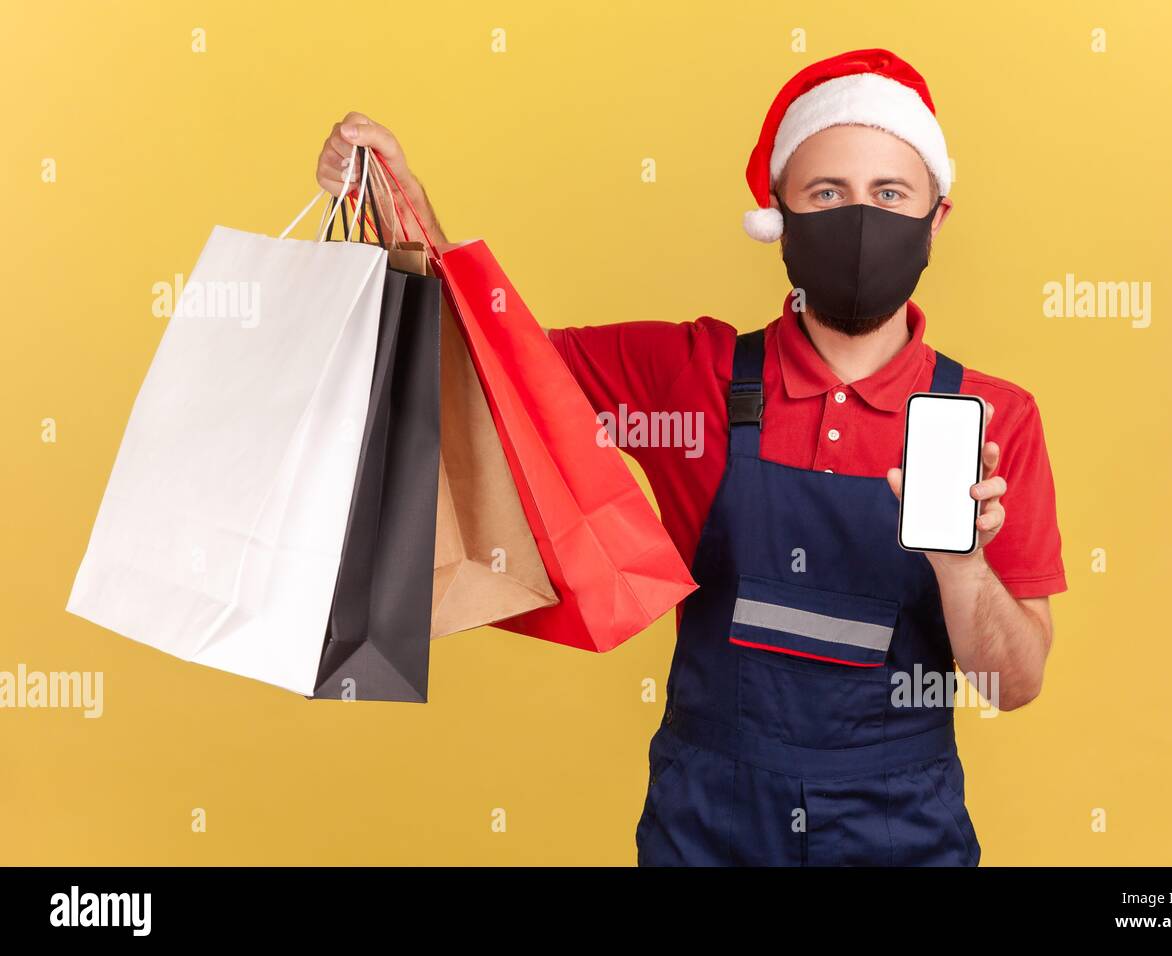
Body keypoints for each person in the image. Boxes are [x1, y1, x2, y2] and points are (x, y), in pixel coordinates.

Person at [313, 48, 1065, 866]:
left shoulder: (993, 419)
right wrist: (409, 216)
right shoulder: (689, 374)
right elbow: (497, 364)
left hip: (901, 830)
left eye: (889, 194)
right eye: (827, 194)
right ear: (778, 212)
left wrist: (961, 566)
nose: (859, 218)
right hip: (709, 822)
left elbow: (1010, 685)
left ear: (936, 218)